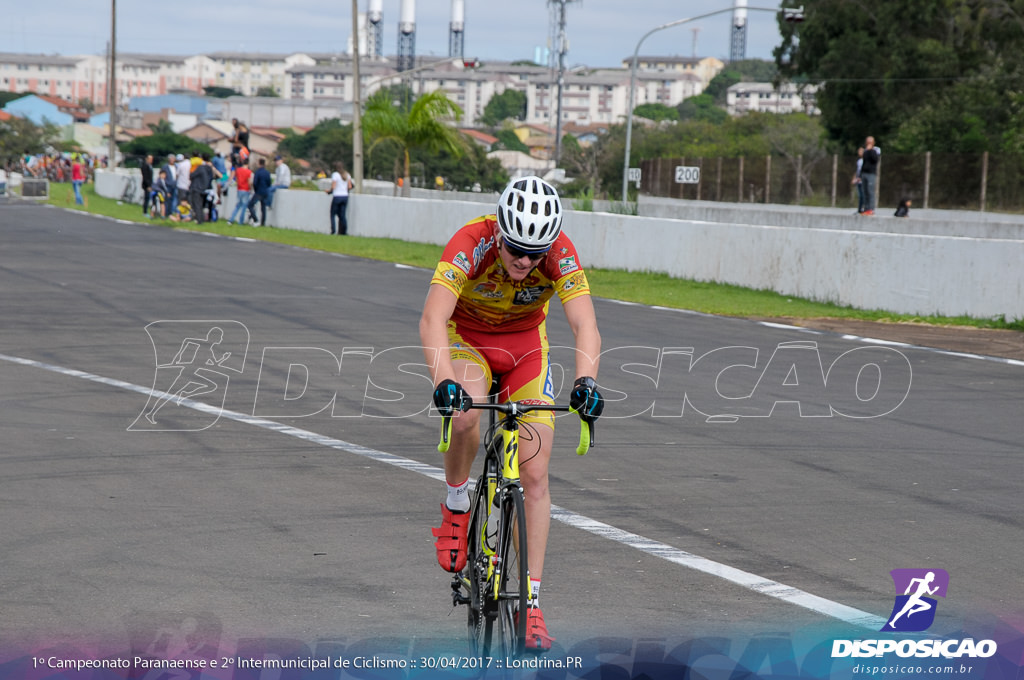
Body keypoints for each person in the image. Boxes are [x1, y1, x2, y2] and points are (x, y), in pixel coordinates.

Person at [420, 175, 604, 653]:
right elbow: (433, 317)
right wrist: (443, 382)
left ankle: (534, 605)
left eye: (535, 253)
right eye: (517, 249)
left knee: (536, 473)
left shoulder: (559, 252)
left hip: (526, 350)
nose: (525, 261)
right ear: (499, 233)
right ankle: (458, 504)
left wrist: (586, 381)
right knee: (465, 416)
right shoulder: (470, 241)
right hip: (470, 342)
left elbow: (585, 322)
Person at [327, 162, 353, 235]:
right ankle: (344, 232)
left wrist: (329, 191)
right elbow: (350, 186)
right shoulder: (347, 175)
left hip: (337, 196)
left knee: (332, 214)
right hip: (345, 196)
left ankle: (333, 231)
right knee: (342, 215)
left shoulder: (335, 175)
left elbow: (333, 186)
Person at [188, 153, 214, 225]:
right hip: (206, 189)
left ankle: (199, 220)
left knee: (197, 205)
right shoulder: (209, 168)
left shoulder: (200, 168)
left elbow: (191, 175)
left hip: (197, 188)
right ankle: (203, 219)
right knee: (202, 205)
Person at [859, 136, 881, 215]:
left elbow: (875, 159)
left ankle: (871, 209)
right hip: (864, 173)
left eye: (870, 142)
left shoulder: (875, 150)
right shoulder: (865, 151)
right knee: (865, 192)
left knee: (870, 191)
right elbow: (864, 162)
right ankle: (866, 208)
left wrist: (870, 150)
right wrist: (860, 175)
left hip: (871, 173)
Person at [227, 158, 253, 225]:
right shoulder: (248, 172)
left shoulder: (238, 170)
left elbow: (237, 179)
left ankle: (231, 219)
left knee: (238, 205)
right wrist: (251, 189)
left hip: (239, 189)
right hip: (246, 189)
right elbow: (249, 182)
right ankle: (241, 221)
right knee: (244, 207)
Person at [248, 158, 272, 226]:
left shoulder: (258, 172)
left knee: (250, 205)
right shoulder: (267, 172)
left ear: (259, 164)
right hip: (265, 192)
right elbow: (269, 183)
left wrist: (256, 190)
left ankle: (256, 220)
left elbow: (255, 183)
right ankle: (263, 223)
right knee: (263, 208)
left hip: (259, 192)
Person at [851, 148, 865, 215]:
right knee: (860, 196)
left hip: (863, 181)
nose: (859, 152)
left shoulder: (865, 160)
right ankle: (859, 209)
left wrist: (861, 178)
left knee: (863, 195)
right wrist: (854, 178)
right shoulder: (859, 161)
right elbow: (857, 171)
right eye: (858, 151)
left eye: (861, 151)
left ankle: (864, 209)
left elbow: (865, 171)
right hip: (858, 181)